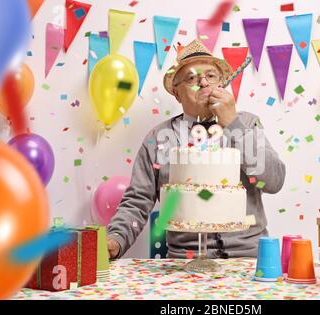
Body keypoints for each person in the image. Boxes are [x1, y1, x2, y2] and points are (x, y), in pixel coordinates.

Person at [107, 39, 285, 259]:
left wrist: (233, 124)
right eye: (191, 77)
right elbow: (137, 202)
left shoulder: (248, 124)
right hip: (184, 261)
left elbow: (274, 181)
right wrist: (115, 239)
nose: (202, 82)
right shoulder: (160, 138)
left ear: (222, 83)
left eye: (211, 76)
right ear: (177, 93)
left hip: (250, 258)